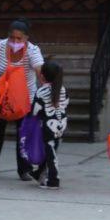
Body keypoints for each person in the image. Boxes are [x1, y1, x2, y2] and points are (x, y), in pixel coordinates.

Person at [0, 19, 44, 180]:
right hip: (0, 99)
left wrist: (47, 90)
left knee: (23, 134)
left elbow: (40, 71)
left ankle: (24, 169)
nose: (15, 42)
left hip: (24, 101)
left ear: (26, 38)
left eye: (19, 39)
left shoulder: (33, 51)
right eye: (12, 38)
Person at [29, 61, 68, 189]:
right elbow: (65, 103)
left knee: (51, 154)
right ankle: (39, 172)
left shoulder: (41, 91)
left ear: (42, 76)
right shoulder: (62, 89)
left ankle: (53, 180)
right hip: (61, 123)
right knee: (51, 151)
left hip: (48, 126)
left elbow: (35, 110)